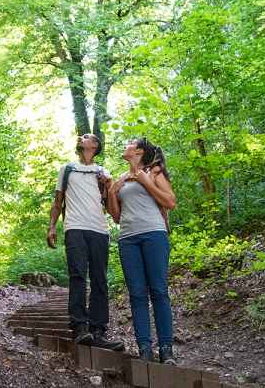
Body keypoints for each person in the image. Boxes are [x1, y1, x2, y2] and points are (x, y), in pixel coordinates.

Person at [46, 133, 124, 351]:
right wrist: (52, 226)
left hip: (99, 229)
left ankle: (98, 331)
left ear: (95, 146)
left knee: (100, 279)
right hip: (75, 228)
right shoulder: (67, 168)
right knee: (78, 275)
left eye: (87, 137)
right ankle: (80, 327)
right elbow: (57, 201)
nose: (82, 137)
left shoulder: (103, 172)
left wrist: (108, 186)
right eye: (82, 137)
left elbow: (111, 208)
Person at [106, 138, 178, 364]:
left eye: (128, 143)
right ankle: (144, 348)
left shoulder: (154, 172)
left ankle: (166, 349)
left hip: (154, 234)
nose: (124, 145)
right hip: (128, 239)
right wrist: (111, 191)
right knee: (137, 294)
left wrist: (145, 181)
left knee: (158, 290)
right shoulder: (122, 179)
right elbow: (117, 217)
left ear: (138, 150)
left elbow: (170, 201)